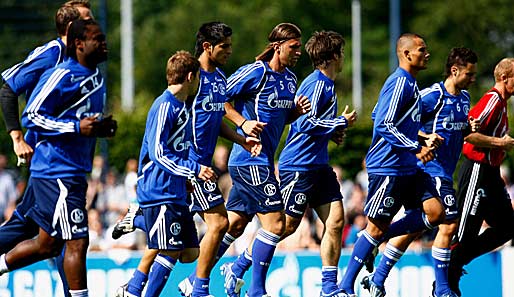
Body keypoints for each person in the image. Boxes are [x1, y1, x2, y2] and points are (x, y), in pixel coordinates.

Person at [114, 22, 261, 297]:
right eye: (225, 46)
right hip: (192, 166)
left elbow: (215, 120)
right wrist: (190, 168)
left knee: (182, 246)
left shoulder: (219, 78)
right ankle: (198, 288)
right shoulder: (192, 82)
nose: (230, 51)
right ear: (207, 47)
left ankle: (135, 276)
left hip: (200, 165)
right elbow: (175, 129)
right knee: (217, 224)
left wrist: (242, 138)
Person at [223, 30, 356, 297]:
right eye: (341, 53)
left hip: (319, 165)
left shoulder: (322, 85)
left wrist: (333, 131)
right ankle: (239, 267)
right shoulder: (316, 84)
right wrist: (338, 123)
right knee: (283, 226)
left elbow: (305, 120)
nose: (343, 58)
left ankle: (330, 287)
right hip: (298, 165)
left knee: (336, 221)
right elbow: (304, 124)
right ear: (332, 57)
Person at [0, 19, 110, 297]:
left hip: (71, 170)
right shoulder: (61, 74)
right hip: (56, 171)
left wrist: (98, 127)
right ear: (79, 43)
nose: (104, 43)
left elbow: (77, 117)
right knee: (77, 241)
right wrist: (76, 127)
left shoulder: (95, 76)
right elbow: (32, 115)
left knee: (47, 244)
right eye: (98, 38)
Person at [360, 47, 479, 297]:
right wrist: (424, 138)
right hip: (428, 169)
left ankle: (377, 274)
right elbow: (381, 115)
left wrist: (468, 127)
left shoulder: (465, 98)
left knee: (413, 227)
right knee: (448, 223)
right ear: (455, 71)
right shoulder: (432, 95)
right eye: (469, 74)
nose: (473, 79)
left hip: (445, 171)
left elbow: (457, 131)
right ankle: (442, 289)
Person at [337, 33, 445, 297]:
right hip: (387, 167)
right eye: (422, 49)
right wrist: (416, 146)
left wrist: (421, 136)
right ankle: (344, 286)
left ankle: (376, 242)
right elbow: (383, 124)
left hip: (407, 167)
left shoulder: (411, 85)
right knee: (375, 227)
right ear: (407, 54)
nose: (427, 54)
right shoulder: (399, 82)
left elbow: (378, 113)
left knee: (435, 213)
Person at [218, 22, 311, 297]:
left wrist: (295, 112)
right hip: (249, 159)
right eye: (293, 47)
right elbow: (219, 97)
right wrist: (242, 123)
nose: (298, 52)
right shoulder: (257, 72)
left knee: (232, 225)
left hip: (262, 160)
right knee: (276, 224)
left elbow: (278, 119)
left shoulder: (291, 80)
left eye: (299, 47)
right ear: (277, 46)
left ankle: (195, 278)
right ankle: (256, 289)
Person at [119, 50, 218, 297]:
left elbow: (179, 149)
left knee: (190, 253)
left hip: (175, 189)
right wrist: (194, 170)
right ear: (190, 76)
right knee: (170, 249)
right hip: (159, 189)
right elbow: (158, 153)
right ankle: (139, 293)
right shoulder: (164, 106)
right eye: (198, 79)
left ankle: (140, 220)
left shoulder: (182, 106)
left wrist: (187, 178)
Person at [448, 57, 514, 296]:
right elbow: (468, 133)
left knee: (508, 227)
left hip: (491, 173)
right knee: (465, 231)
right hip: (477, 169)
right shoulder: (492, 100)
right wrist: (500, 143)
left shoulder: (503, 102)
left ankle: (456, 262)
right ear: (504, 78)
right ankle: (446, 281)